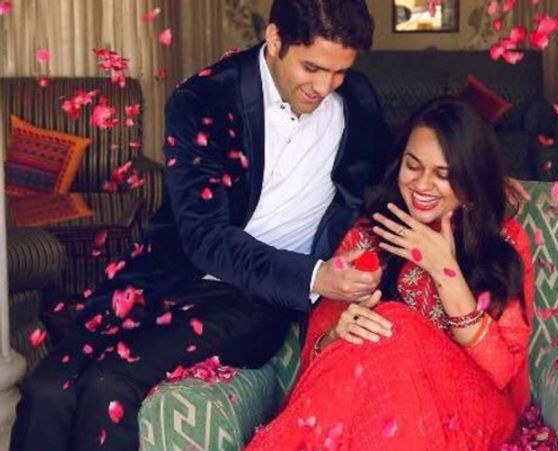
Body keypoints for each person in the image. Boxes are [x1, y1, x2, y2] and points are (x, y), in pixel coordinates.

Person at [10, 1, 389, 450]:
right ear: (274, 40)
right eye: (312, 68)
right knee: (46, 391)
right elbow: (205, 237)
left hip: (254, 296)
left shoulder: (357, 101)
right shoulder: (204, 99)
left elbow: (389, 177)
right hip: (167, 274)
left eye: (339, 72)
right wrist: (316, 277)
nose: (324, 87)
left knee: (108, 385)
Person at [245, 97, 535, 450]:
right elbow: (318, 361)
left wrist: (444, 270)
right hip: (380, 420)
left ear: (470, 180)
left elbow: (501, 371)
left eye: (444, 175)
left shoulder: (502, 241)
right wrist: (338, 333)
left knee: (393, 322)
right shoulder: (367, 237)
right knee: (379, 335)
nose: (422, 185)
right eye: (413, 166)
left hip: (474, 415)